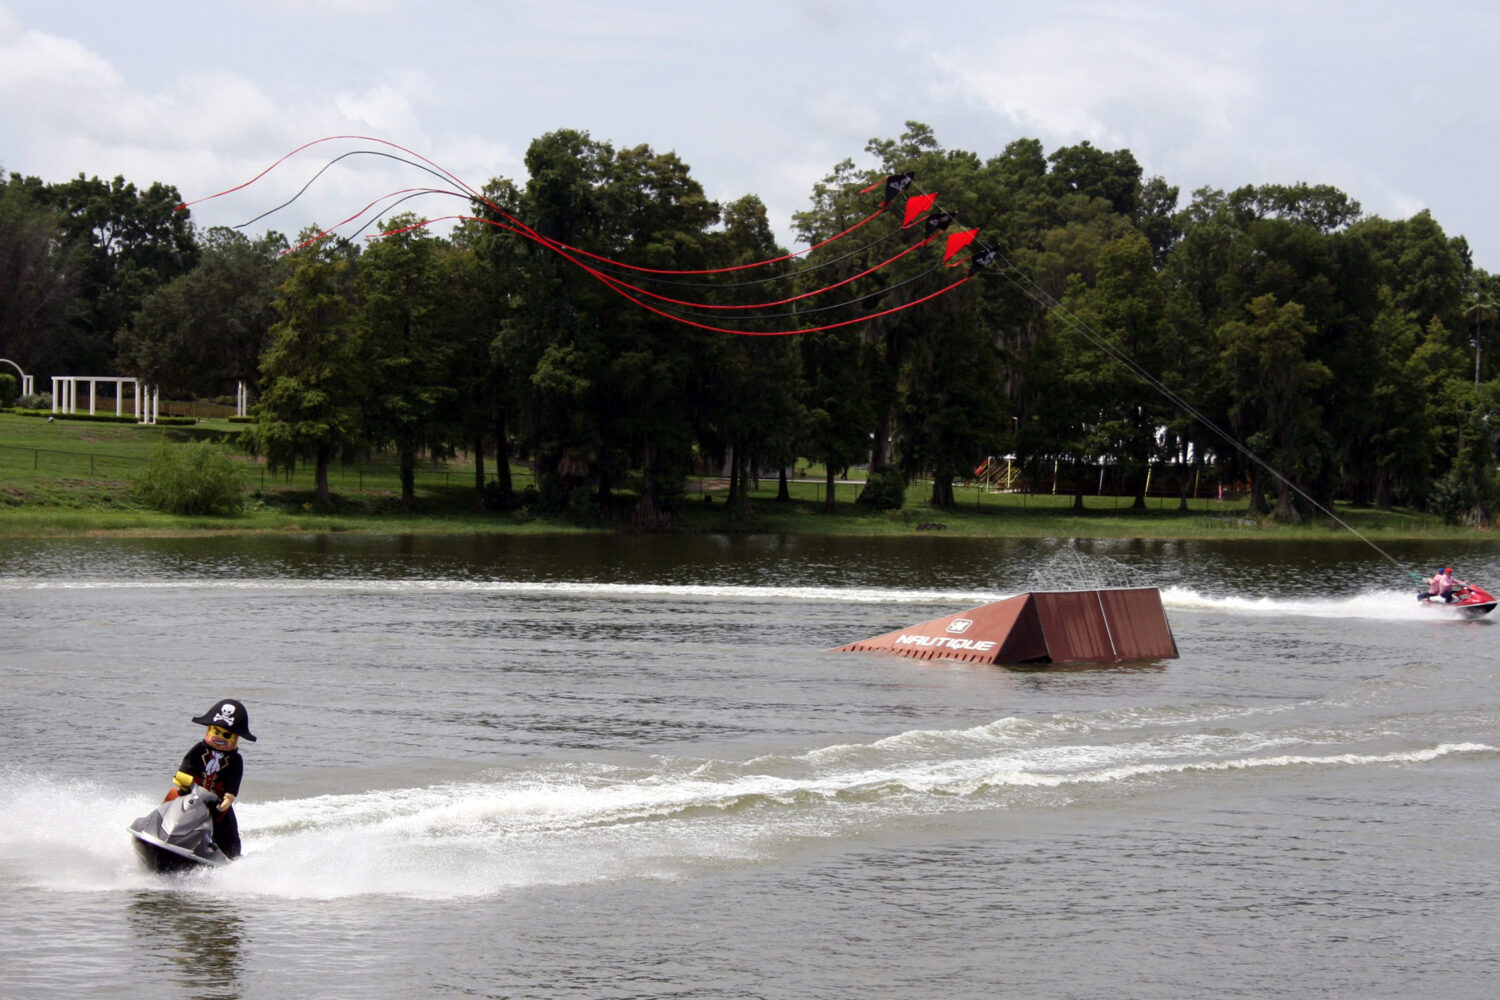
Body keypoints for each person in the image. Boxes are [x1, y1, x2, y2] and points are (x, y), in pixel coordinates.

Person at [167, 698, 256, 859]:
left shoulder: (235, 760)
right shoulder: (199, 749)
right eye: (216, 732)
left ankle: (229, 855)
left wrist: (228, 798)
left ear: (235, 737)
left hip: (216, 800)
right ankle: (158, 831)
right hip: (190, 793)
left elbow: (234, 780)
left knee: (226, 824)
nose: (219, 737)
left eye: (226, 735)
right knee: (171, 802)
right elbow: (188, 764)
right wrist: (183, 779)